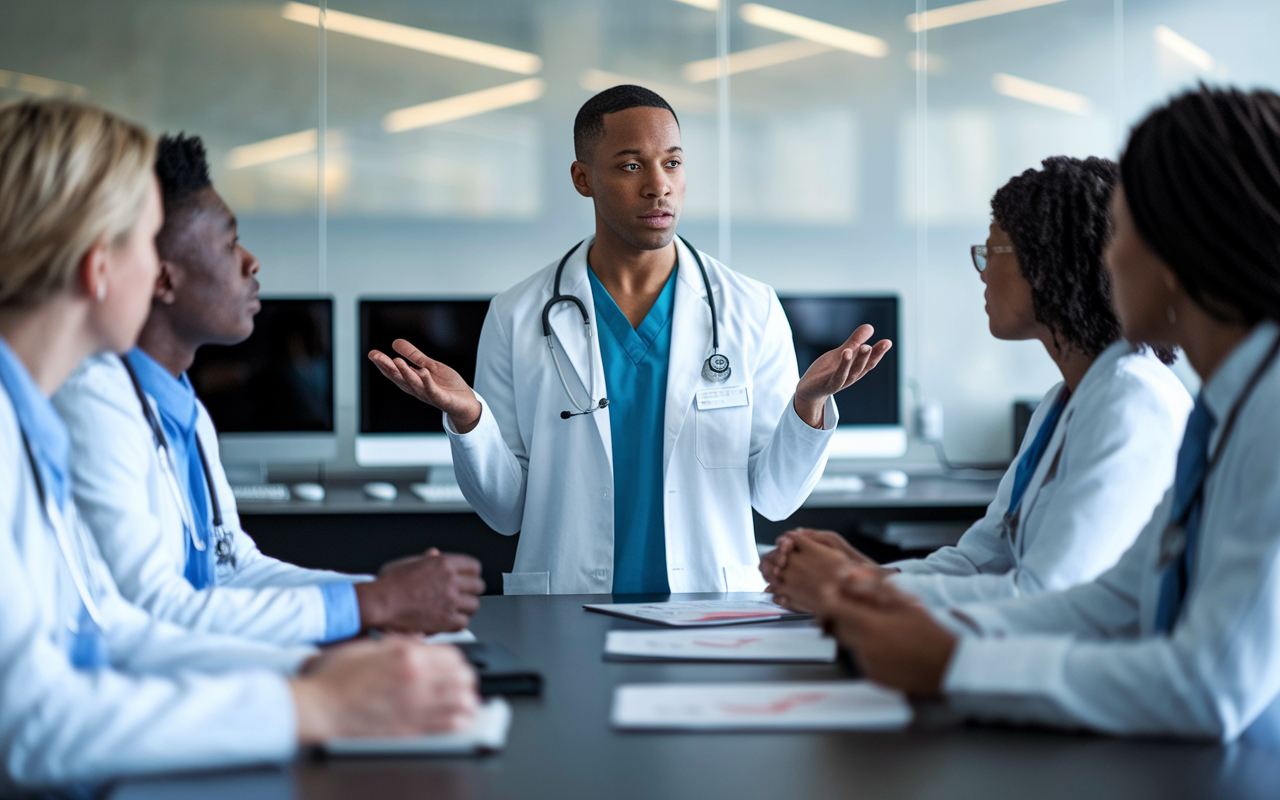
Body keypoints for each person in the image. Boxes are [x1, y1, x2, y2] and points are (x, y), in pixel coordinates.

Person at [0, 98, 476, 790]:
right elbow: (30, 721)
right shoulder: (55, 414)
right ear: (101, 266)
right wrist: (310, 700)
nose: (250, 263)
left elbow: (113, 630)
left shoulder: (34, 423)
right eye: (143, 237)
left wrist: (316, 671)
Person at [809, 85, 1280, 744]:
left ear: (1185, 245)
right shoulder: (1226, 410)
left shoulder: (1248, 416)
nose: (1109, 256)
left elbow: (1209, 686)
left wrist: (955, 662)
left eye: (1129, 231)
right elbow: (1115, 601)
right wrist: (874, 596)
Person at [369, 85, 892, 595]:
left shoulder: (751, 308)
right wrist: (469, 419)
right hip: (567, 601)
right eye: (631, 165)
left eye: (673, 162)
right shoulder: (516, 314)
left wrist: (808, 405)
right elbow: (506, 512)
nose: (658, 186)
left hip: (709, 605)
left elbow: (774, 498)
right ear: (583, 178)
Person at [53, 133, 484, 646]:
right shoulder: (94, 402)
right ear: (162, 278)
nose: (251, 262)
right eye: (228, 242)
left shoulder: (179, 401)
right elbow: (150, 608)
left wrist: (384, 596)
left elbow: (233, 569)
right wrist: (375, 603)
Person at [763, 157, 1192, 611]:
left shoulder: (1131, 404)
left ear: (1047, 261)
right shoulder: (1062, 402)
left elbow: (1046, 596)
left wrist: (850, 589)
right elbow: (979, 561)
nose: (982, 272)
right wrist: (863, 574)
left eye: (991, 253)